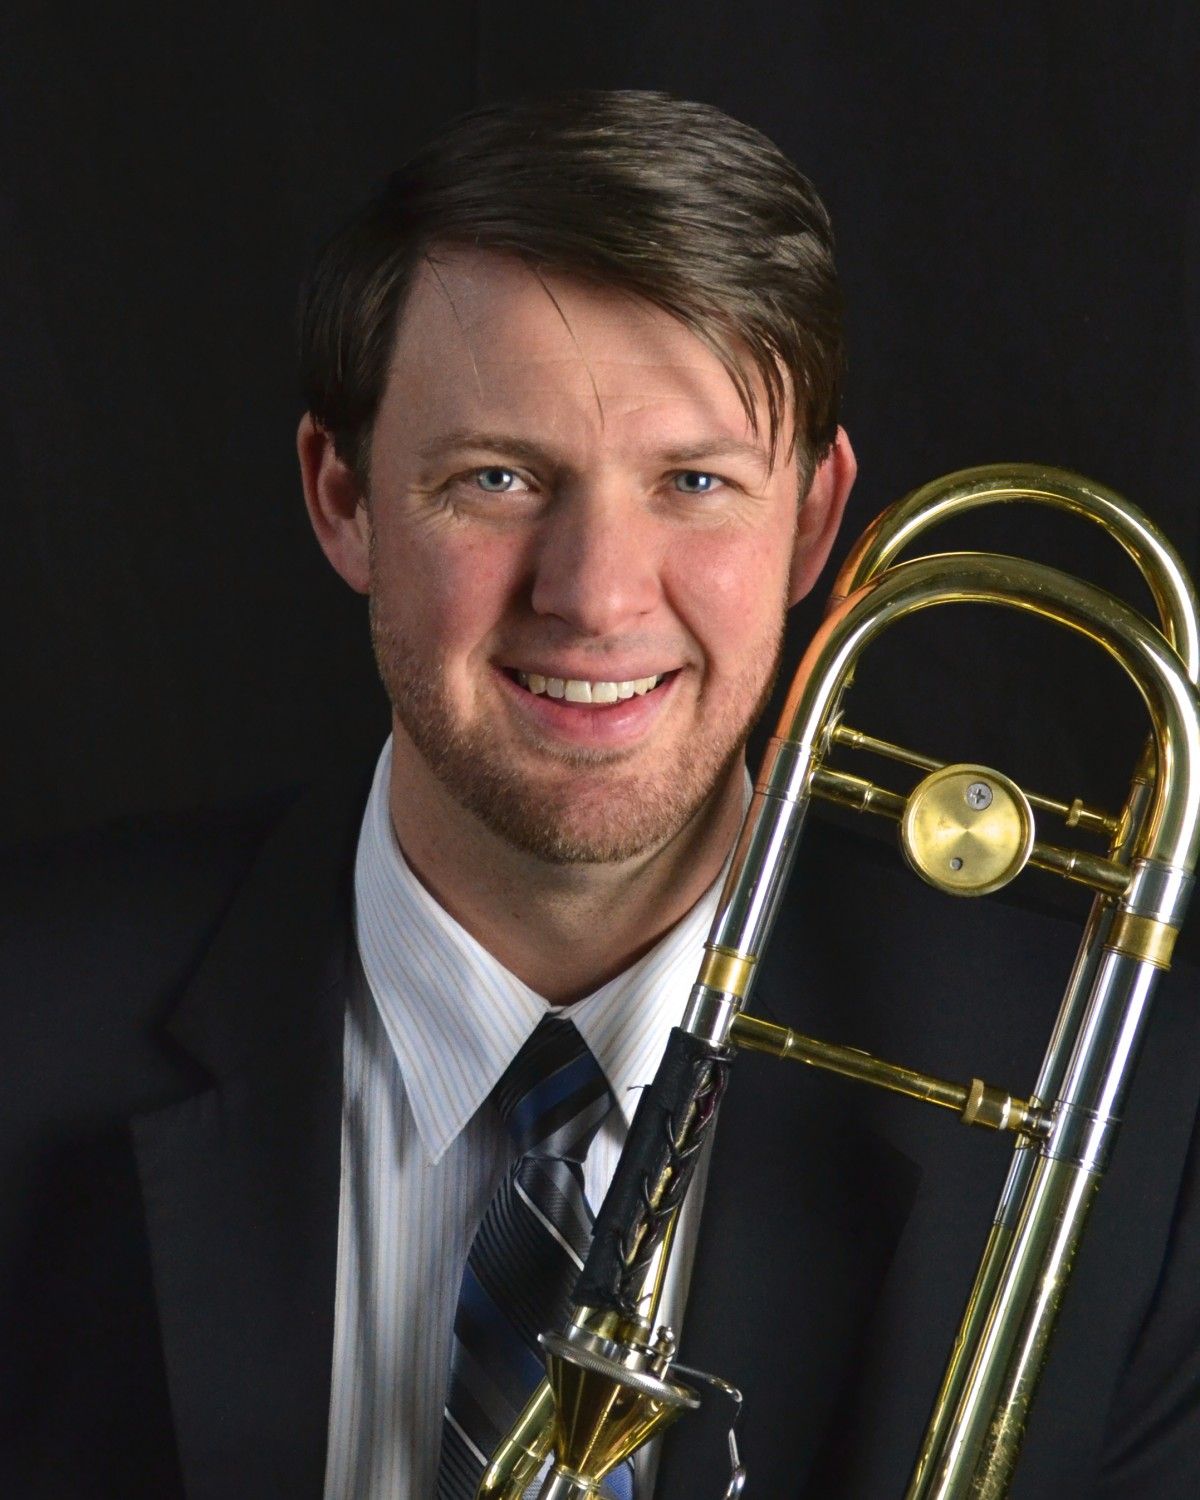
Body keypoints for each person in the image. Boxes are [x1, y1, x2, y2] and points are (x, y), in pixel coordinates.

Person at [3, 91, 1199, 1500]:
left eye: (694, 481)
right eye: (498, 477)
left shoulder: (1142, 1117)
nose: (596, 597)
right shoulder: (29, 1014)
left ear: (816, 519)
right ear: (344, 498)